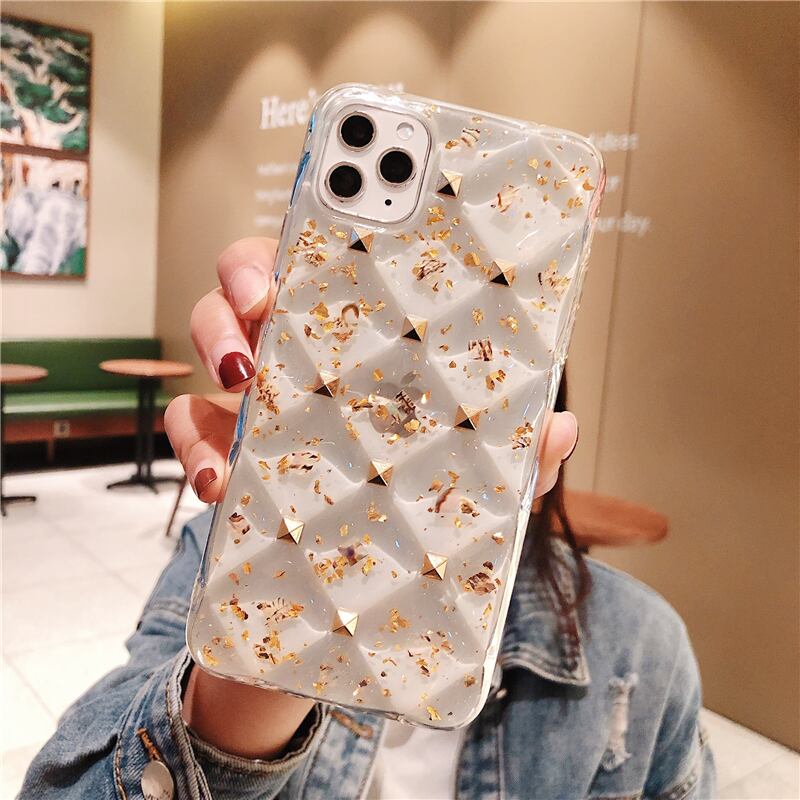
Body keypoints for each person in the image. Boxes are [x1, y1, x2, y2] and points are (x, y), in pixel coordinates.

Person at [19, 237, 714, 800]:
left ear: (541, 416)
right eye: (385, 382)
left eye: (473, 382)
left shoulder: (638, 650)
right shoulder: (223, 559)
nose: (420, 424)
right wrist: (257, 670)